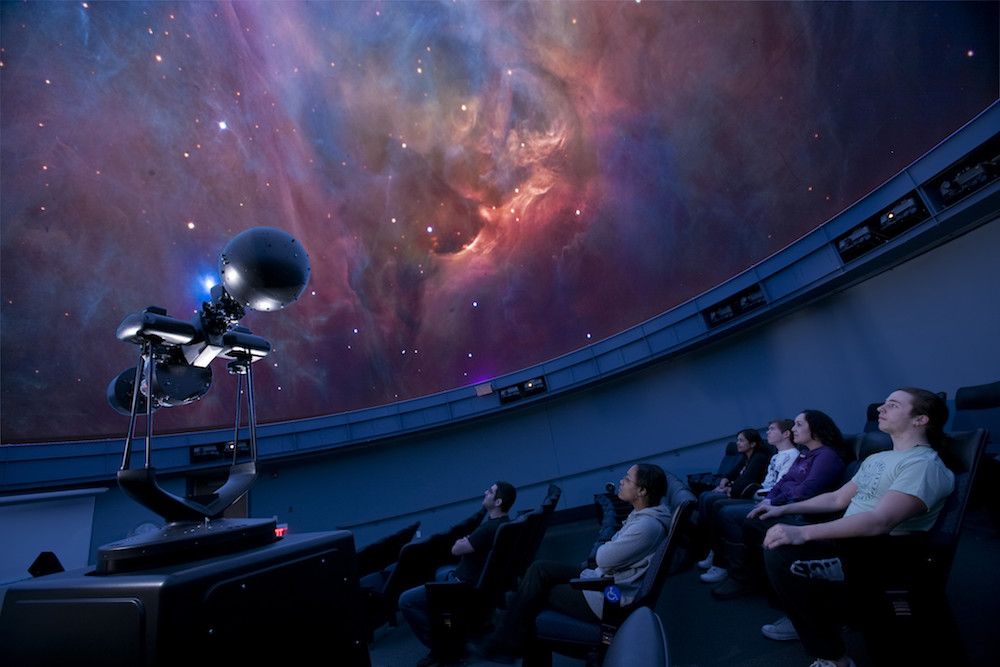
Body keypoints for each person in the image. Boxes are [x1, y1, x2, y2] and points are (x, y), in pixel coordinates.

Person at [759, 388, 954, 667]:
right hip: (850, 539)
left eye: (893, 405)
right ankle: (805, 616)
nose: (880, 409)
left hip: (879, 553)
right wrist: (782, 509)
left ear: (920, 419)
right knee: (767, 531)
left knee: (784, 555)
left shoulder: (923, 465)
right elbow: (838, 498)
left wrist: (802, 532)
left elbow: (880, 521)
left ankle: (832, 657)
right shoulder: (877, 459)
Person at [467, 463, 671, 663]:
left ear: (642, 491)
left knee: (533, 597)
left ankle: (504, 644)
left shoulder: (646, 526)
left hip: (609, 598)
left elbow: (603, 558)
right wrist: (607, 552)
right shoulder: (642, 517)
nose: (621, 481)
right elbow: (609, 555)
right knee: (539, 570)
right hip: (604, 580)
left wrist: (606, 552)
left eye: (627, 479)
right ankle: (506, 643)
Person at [709, 409, 848, 600]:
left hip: (800, 512)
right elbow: (783, 482)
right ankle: (746, 574)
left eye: (799, 425)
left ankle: (742, 577)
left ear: (815, 430)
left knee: (733, 515)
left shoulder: (826, 456)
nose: (793, 429)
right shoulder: (805, 454)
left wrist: (777, 502)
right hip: (782, 503)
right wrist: (769, 500)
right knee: (736, 514)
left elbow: (807, 490)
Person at [399, 481, 517, 667]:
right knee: (440, 572)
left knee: (406, 601)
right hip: (465, 578)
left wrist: (465, 541)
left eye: (490, 491)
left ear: (498, 502)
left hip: (461, 586)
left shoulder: (489, 529)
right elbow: (464, 546)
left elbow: (456, 549)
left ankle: (445, 648)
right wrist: (467, 542)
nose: (485, 492)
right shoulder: (503, 524)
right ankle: (449, 632)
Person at [698, 419, 797, 582]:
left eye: (771, 429)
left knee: (721, 507)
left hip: (767, 500)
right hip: (761, 496)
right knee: (715, 502)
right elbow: (765, 484)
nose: (767, 432)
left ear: (786, 434)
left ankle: (727, 565)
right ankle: (718, 555)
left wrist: (745, 490)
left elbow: (777, 488)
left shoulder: (791, 456)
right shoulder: (776, 456)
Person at [693, 429, 771, 575]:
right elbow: (729, 474)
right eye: (737, 440)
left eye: (741, 440)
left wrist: (729, 488)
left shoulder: (759, 458)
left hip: (746, 495)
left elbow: (745, 480)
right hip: (735, 491)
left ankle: (719, 556)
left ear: (753, 443)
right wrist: (723, 485)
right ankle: (709, 548)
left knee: (713, 501)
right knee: (705, 496)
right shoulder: (745, 458)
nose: (737, 443)